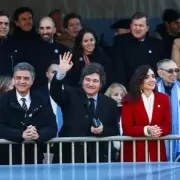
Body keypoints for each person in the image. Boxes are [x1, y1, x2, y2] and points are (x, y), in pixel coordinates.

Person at [50, 52, 119, 163]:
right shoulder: (71, 94)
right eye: (87, 80)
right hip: (70, 157)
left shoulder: (109, 103)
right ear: (82, 80)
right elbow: (55, 92)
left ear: (101, 84)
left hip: (98, 159)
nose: (90, 84)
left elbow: (114, 130)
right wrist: (61, 72)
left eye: (95, 81)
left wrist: (102, 130)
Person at [0, 62, 57, 164]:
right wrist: (21, 134)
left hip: (34, 159)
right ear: (13, 79)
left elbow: (52, 127)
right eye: (18, 78)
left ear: (32, 80)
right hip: (6, 160)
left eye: (26, 78)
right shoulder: (2, 100)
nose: (22, 81)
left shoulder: (42, 100)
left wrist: (38, 134)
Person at [121, 65, 171, 162]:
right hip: (134, 153)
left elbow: (167, 125)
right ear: (139, 80)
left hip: (157, 151)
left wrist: (158, 130)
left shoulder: (163, 98)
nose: (152, 79)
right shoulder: (129, 99)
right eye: (147, 77)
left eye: (153, 76)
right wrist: (147, 129)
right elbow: (127, 127)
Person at [113, 12, 164, 88]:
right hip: (129, 87)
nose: (137, 28)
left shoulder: (157, 44)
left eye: (141, 25)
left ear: (147, 28)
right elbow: (119, 68)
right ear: (130, 26)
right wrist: (121, 88)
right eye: (135, 25)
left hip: (151, 87)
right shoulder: (121, 41)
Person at [29, 17, 69, 89]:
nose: (45, 31)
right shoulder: (31, 50)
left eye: (48, 28)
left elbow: (69, 74)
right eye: (42, 28)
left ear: (54, 30)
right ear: (38, 30)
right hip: (37, 92)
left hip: (59, 90)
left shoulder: (63, 50)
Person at [156, 59, 180, 161]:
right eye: (170, 71)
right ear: (160, 73)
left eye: (177, 70)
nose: (174, 74)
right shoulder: (152, 88)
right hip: (157, 138)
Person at [105, 83, 127, 160]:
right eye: (116, 95)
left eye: (122, 95)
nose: (119, 98)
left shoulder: (128, 113)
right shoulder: (105, 113)